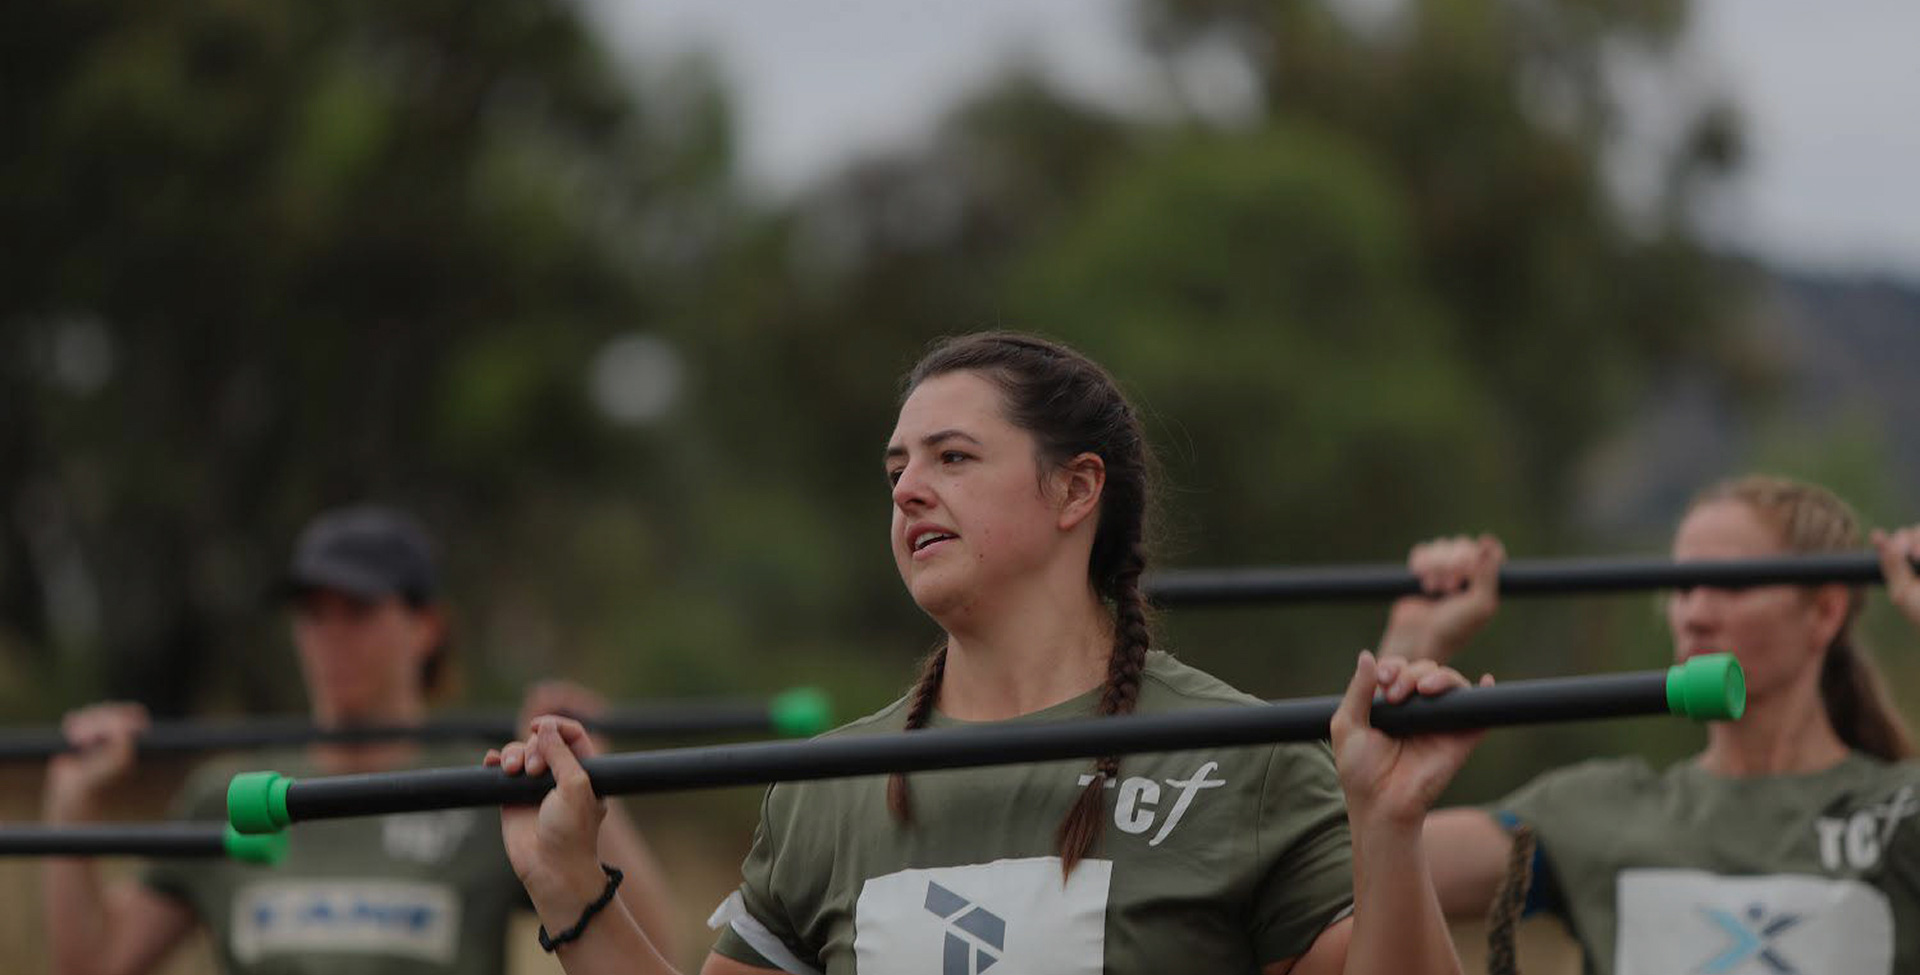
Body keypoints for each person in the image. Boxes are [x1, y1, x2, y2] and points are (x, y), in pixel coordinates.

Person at [488, 331, 1490, 975]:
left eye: (953, 457)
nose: (907, 489)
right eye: (897, 468)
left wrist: (1390, 825)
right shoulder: (825, 789)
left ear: (1075, 490)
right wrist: (566, 881)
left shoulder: (1249, 760)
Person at [41, 504, 679, 975]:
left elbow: (656, 952)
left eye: (359, 610)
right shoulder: (227, 797)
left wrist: (586, 782)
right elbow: (95, 964)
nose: (331, 636)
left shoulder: (491, 788)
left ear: (425, 628)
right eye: (313, 614)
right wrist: (70, 803)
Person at [1380, 476, 1920, 974]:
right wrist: (1412, 643)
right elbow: (1354, 870)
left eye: (1730, 585)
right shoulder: (1599, 810)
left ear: (1825, 612)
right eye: (1682, 588)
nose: (1694, 615)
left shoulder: (1901, 811)